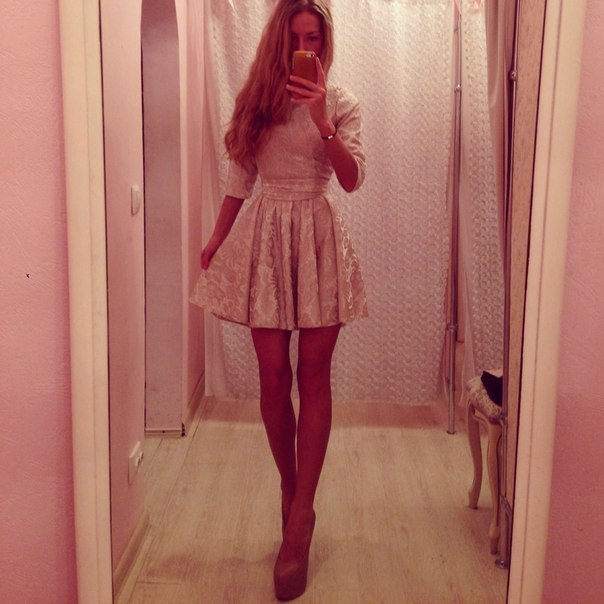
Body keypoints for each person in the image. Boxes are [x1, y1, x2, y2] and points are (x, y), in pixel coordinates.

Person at [190, 0, 367, 599]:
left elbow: (352, 179)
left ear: (325, 42)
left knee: (313, 375)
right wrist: (217, 237)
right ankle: (290, 492)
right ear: (277, 40)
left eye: (313, 38)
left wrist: (322, 119)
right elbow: (240, 178)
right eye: (295, 38)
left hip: (317, 237)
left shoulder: (341, 102)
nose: (305, 49)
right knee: (272, 377)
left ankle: (301, 517)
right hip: (266, 237)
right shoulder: (256, 100)